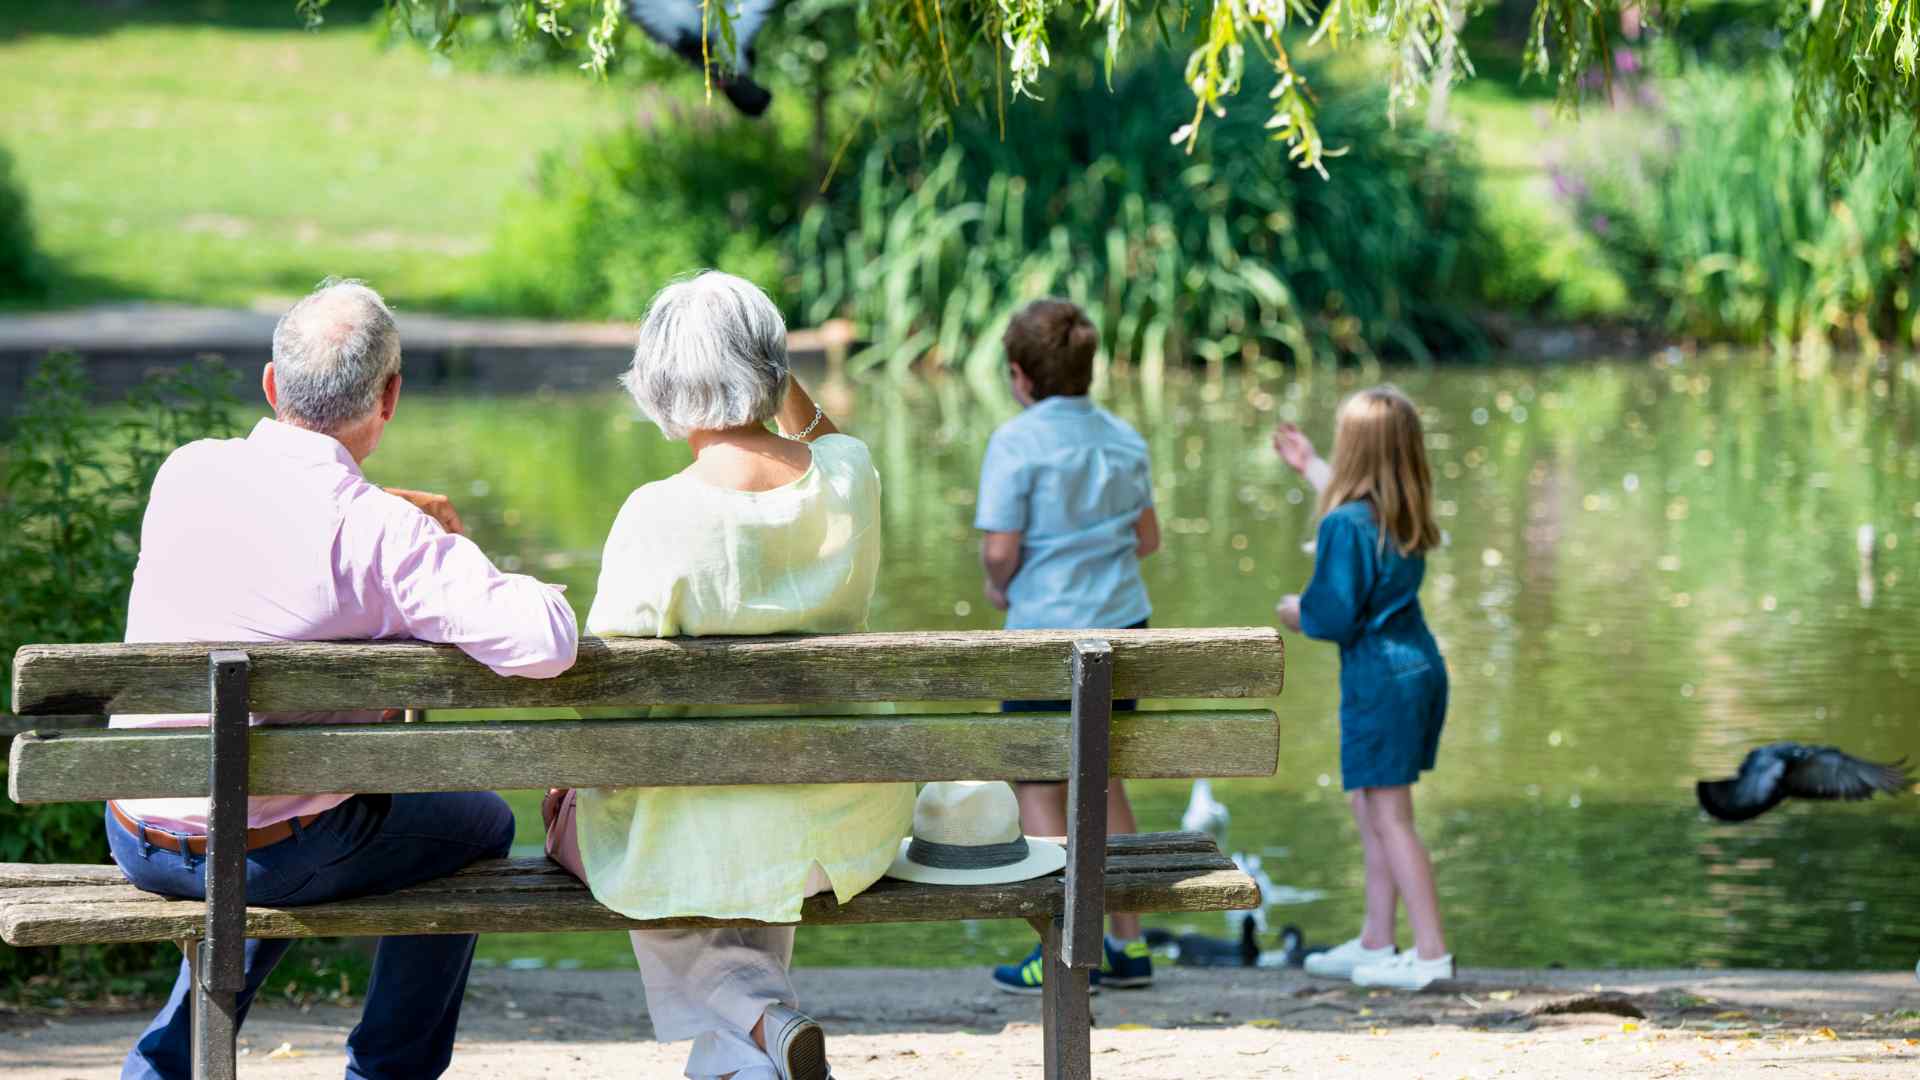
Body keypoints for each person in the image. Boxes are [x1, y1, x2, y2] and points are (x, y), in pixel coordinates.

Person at [106, 279, 581, 1080]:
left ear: (270, 384)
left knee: (262, 805)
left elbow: (286, 521)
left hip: (138, 830)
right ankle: (387, 1071)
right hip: (271, 851)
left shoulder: (185, 474)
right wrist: (466, 560)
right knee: (474, 828)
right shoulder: (383, 536)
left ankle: (166, 1064)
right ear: (390, 396)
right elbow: (547, 642)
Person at [543, 271, 911, 1080]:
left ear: (660, 383)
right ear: (774, 370)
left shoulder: (657, 513)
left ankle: (754, 1020)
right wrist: (774, 376)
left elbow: (605, 703)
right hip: (844, 821)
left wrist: (570, 788)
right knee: (725, 813)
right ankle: (746, 1053)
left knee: (598, 824)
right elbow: (823, 435)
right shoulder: (849, 479)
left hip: (701, 823)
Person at [975, 298, 1162, 994]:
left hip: (1043, 638)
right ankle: (1130, 945)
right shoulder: (1124, 439)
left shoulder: (1015, 443)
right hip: (1121, 632)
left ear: (1020, 376)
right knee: (1106, 777)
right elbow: (1147, 540)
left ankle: (1061, 950)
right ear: (1090, 367)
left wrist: (1001, 586)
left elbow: (1000, 550)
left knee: (1038, 785)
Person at [1273, 387, 1455, 991]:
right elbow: (1349, 509)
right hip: (1416, 668)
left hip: (1380, 680)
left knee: (1391, 816)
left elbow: (1336, 613)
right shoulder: (1401, 512)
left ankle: (1430, 953)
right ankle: (1377, 941)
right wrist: (1310, 466)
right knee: (1368, 804)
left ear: (1352, 450)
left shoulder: (1345, 526)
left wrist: (1298, 612)